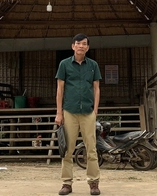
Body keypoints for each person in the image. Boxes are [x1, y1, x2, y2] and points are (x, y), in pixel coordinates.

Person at [55, 33, 102, 195]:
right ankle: (67, 183)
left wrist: (95, 110)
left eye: (84, 44)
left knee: (91, 149)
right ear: (73, 46)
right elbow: (60, 89)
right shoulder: (64, 64)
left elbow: (96, 89)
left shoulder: (93, 65)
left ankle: (94, 183)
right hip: (69, 111)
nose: (81, 46)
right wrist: (59, 112)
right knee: (68, 149)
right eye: (78, 43)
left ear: (87, 47)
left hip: (88, 112)